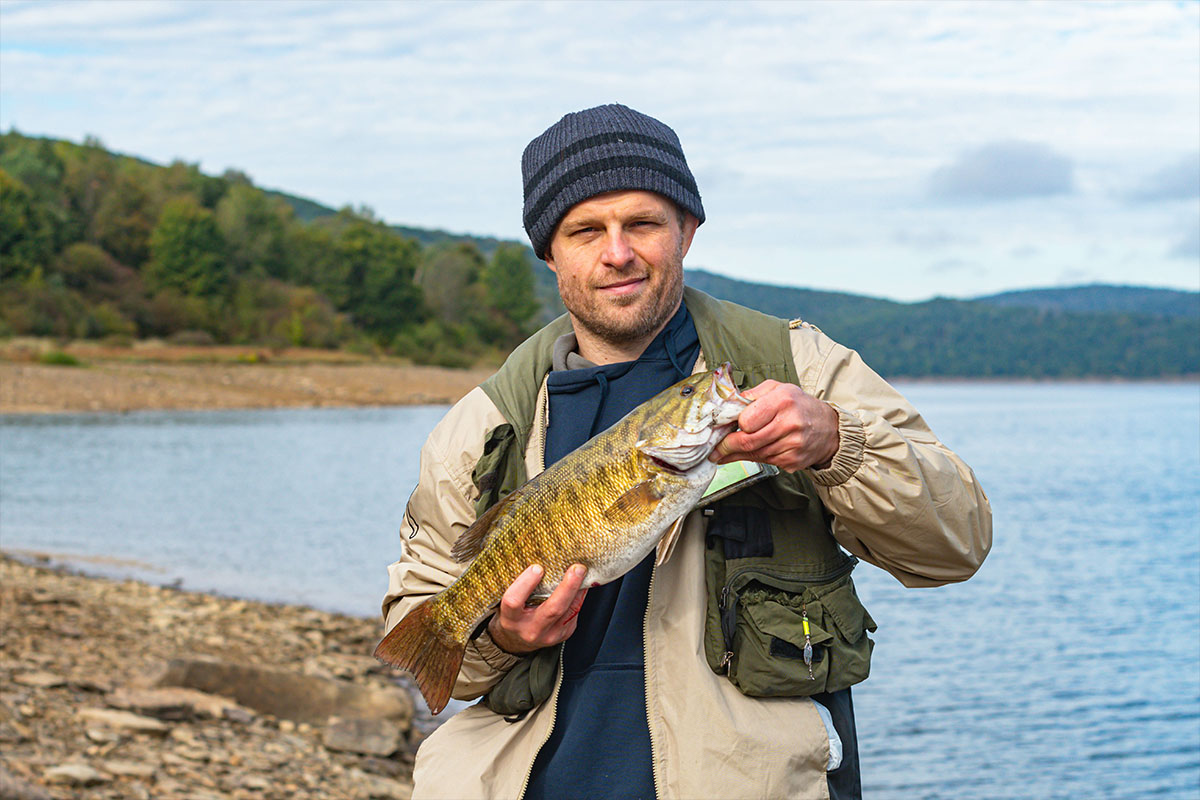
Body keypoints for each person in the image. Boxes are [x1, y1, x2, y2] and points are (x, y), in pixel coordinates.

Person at [381, 103, 992, 800]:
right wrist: (506, 639)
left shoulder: (796, 366)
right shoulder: (482, 427)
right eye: (586, 230)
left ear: (686, 230)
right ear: (549, 252)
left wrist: (837, 444)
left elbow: (958, 543)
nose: (618, 253)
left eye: (642, 223)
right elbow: (429, 641)